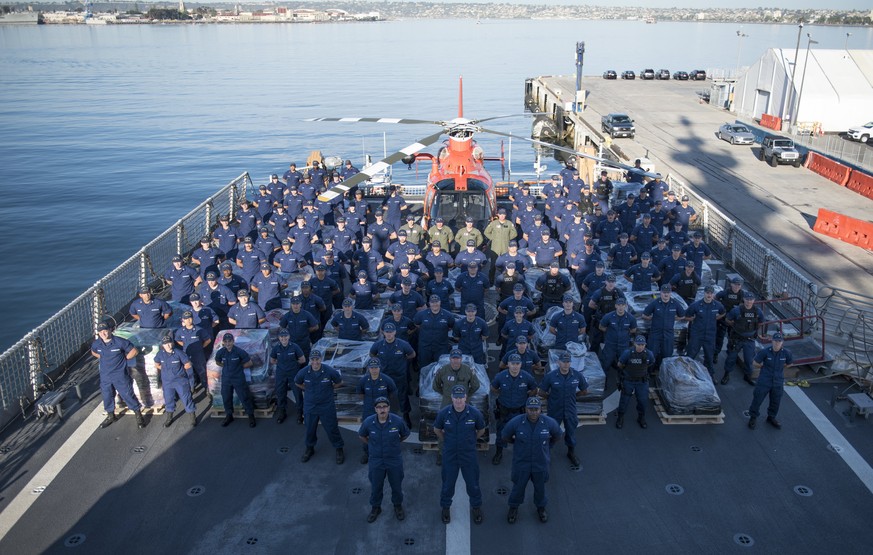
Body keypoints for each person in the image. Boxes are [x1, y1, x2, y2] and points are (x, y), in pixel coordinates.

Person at [502, 397, 563, 524]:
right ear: (525, 409)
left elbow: (557, 435)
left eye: (536, 409)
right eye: (530, 409)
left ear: (541, 409)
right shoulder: (516, 422)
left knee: (540, 488)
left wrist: (547, 447)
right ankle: (513, 507)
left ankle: (541, 508)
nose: (533, 412)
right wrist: (517, 444)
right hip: (521, 463)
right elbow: (505, 436)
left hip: (540, 464)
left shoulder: (549, 423)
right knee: (518, 488)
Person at [434, 385, 486, 525]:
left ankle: (476, 507)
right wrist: (448, 441)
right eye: (456, 397)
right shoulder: (444, 413)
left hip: (468, 454)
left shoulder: (475, 414)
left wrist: (471, 439)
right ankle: (445, 508)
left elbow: (480, 430)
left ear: (465, 398)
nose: (458, 400)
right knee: (448, 484)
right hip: (450, 454)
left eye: (461, 397)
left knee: (473, 483)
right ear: (451, 398)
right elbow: (437, 429)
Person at [359, 396, 410, 523]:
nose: (382, 410)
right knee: (376, 485)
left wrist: (395, 443)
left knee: (396, 485)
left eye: (385, 407)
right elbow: (362, 435)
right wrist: (372, 445)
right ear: (375, 409)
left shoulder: (397, 421)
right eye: (379, 407)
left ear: (389, 408)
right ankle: (376, 507)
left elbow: (405, 434)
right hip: (376, 460)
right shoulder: (368, 422)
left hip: (393, 459)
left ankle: (397, 506)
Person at [91, 321, 145, 429]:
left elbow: (134, 351)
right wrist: (103, 358)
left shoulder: (120, 342)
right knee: (107, 396)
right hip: (105, 375)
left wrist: (124, 359)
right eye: (100, 332)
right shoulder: (97, 344)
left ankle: (138, 416)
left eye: (105, 331)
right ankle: (111, 416)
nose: (103, 334)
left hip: (119, 375)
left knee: (127, 394)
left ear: (110, 330)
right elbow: (93, 352)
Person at [295, 349, 345, 464]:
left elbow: (339, 381)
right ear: (310, 360)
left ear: (321, 359)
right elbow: (297, 382)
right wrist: (306, 389)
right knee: (309, 429)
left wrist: (330, 388)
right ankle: (309, 448)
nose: (315, 362)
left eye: (317, 359)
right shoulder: (304, 372)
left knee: (332, 428)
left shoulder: (329, 371)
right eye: (313, 360)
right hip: (310, 406)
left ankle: (339, 448)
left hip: (326, 406)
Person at [538, 353, 588, 466]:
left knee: (571, 433)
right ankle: (546, 453)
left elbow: (584, 390)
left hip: (570, 409)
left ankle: (571, 453)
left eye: (568, 362)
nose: (566, 364)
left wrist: (574, 397)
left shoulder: (577, 375)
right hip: (555, 410)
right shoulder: (551, 376)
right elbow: (541, 391)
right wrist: (550, 399)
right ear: (558, 362)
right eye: (564, 362)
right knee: (550, 432)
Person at [490, 354, 538, 465]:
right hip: (504, 411)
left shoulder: (527, 377)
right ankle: (499, 453)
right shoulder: (500, 376)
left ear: (521, 364)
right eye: (512, 364)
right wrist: (502, 395)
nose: (515, 366)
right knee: (501, 434)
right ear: (508, 365)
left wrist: (527, 398)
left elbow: (534, 389)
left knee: (523, 433)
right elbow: (494, 388)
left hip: (519, 411)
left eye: (517, 364)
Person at [369, 322, 416, 427]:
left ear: (395, 332)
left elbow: (412, 354)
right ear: (383, 332)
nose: (389, 334)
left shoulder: (403, 344)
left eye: (391, 332)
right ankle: (384, 416)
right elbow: (372, 354)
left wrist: (403, 360)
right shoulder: (378, 345)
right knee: (383, 396)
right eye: (387, 332)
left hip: (399, 375)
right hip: (384, 376)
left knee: (402, 396)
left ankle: (405, 415)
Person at [748, 332, 793, 430]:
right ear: (772, 341)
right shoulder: (765, 352)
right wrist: (763, 367)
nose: (777, 343)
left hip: (778, 381)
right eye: (775, 341)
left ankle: (771, 417)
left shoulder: (786, 353)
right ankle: (753, 417)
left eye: (779, 341)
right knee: (758, 398)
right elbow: (755, 363)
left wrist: (781, 367)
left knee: (776, 401)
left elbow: (790, 364)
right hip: (765, 379)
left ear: (782, 342)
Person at [356, 359, 398, 464]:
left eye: (376, 367)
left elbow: (393, 393)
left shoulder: (387, 380)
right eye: (371, 368)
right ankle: (367, 452)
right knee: (367, 432)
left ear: (380, 367)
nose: (374, 370)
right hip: (368, 411)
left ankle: (388, 452)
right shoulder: (364, 380)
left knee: (386, 432)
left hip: (383, 411)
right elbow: (360, 393)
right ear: (368, 368)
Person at [722, 292, 766, 386]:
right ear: (744, 300)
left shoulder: (758, 312)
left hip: (749, 340)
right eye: (747, 299)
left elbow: (761, 322)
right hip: (736, 339)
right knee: (731, 358)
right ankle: (726, 374)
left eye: (751, 300)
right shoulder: (736, 310)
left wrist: (756, 332)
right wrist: (734, 326)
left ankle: (747, 376)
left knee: (749, 360)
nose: (749, 301)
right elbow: (727, 319)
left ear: (754, 300)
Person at [213, 333, 256, 428]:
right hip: (226, 379)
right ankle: (229, 415)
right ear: (223, 342)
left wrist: (239, 367)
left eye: (230, 341)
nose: (228, 343)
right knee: (226, 397)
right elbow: (217, 361)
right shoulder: (221, 352)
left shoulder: (239, 352)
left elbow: (249, 363)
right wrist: (226, 367)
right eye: (226, 342)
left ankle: (251, 416)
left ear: (233, 341)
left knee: (244, 396)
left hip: (238, 378)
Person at [153, 335, 196, 428]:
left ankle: (192, 417)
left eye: (169, 343)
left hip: (180, 381)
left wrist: (189, 380)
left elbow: (188, 365)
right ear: (162, 345)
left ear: (172, 343)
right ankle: (169, 417)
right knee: (168, 399)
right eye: (165, 344)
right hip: (167, 382)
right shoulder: (160, 354)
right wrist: (165, 370)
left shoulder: (179, 353)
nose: (168, 345)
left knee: (186, 399)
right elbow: (157, 364)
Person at [642, 285, 687, 371]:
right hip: (655, 333)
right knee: (652, 354)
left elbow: (682, 315)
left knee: (667, 355)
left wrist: (673, 318)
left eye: (668, 292)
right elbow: (644, 315)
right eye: (664, 292)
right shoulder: (655, 303)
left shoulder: (675, 304)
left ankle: (663, 373)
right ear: (660, 293)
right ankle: (648, 373)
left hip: (668, 334)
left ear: (670, 293)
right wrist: (653, 318)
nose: (666, 294)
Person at [615, 336, 656, 429]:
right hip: (628, 381)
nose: (640, 347)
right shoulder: (627, 353)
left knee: (643, 401)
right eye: (638, 344)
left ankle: (641, 417)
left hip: (642, 382)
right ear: (634, 344)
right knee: (624, 401)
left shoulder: (649, 354)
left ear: (645, 345)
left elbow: (651, 363)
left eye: (642, 345)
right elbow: (620, 364)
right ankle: (620, 417)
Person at [685, 285, 726, 376]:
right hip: (697, 334)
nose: (709, 295)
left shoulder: (717, 305)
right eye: (707, 293)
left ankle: (709, 375)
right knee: (691, 355)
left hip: (710, 335)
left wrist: (716, 318)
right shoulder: (695, 305)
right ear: (704, 293)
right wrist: (694, 319)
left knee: (709, 356)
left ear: (713, 294)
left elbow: (723, 312)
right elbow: (687, 316)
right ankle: (686, 374)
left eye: (711, 293)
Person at [270, 329, 306, 424]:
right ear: (279, 338)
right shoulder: (276, 348)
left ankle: (300, 414)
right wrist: (281, 364)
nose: (283, 338)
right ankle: (282, 413)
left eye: (285, 336)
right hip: (281, 374)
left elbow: (302, 360)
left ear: (289, 337)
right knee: (281, 393)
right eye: (281, 337)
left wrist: (293, 365)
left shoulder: (294, 347)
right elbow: (272, 360)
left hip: (293, 374)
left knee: (297, 394)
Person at [174, 310, 212, 396]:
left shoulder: (199, 330)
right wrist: (186, 346)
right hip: (187, 356)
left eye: (190, 318)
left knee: (202, 372)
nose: (188, 320)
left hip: (198, 355)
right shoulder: (180, 331)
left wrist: (201, 347)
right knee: (189, 373)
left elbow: (208, 340)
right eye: (186, 319)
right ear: (183, 320)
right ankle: (192, 388)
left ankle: (206, 387)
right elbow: (178, 340)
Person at [598, 297, 638, 375]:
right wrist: (610, 332)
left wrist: (625, 334)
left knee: (623, 365)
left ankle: (621, 383)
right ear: (615, 306)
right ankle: (604, 384)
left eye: (622, 305)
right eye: (619, 305)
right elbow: (601, 327)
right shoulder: (608, 316)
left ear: (625, 306)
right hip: (610, 345)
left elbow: (633, 329)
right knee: (606, 364)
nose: (620, 307)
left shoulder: (631, 318)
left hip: (623, 346)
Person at [413, 295, 455, 367]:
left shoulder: (448, 315)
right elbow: (416, 324)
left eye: (436, 302)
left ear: (440, 302)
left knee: (440, 368)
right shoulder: (421, 315)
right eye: (432, 302)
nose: (435, 304)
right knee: (424, 367)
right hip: (425, 347)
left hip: (441, 347)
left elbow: (451, 327)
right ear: (429, 303)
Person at [715, 277, 745, 362]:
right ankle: (715, 354)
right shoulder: (725, 292)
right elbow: (716, 297)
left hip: (734, 321)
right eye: (735, 284)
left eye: (738, 285)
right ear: (731, 284)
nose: (736, 286)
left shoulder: (742, 294)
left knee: (732, 339)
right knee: (719, 338)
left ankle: (730, 354)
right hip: (723, 319)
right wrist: (720, 308)